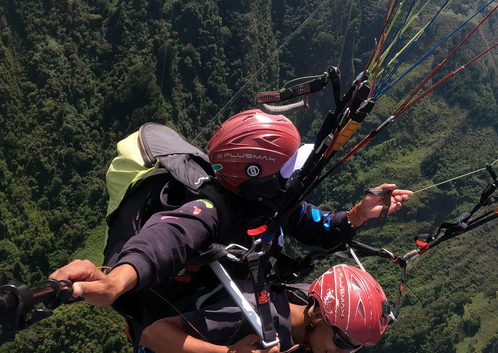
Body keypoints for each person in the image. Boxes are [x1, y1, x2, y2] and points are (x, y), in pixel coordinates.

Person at [51, 109, 411, 346]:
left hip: (226, 300)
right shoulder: (208, 211)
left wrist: (359, 215)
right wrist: (115, 282)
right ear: (257, 180)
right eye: (286, 173)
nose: (294, 181)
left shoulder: (270, 205)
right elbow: (163, 242)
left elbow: (319, 229)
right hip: (174, 326)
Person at [139, 264, 389, 353]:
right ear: (319, 314)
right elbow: (151, 336)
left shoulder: (304, 309)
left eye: (353, 348)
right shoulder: (250, 313)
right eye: (342, 343)